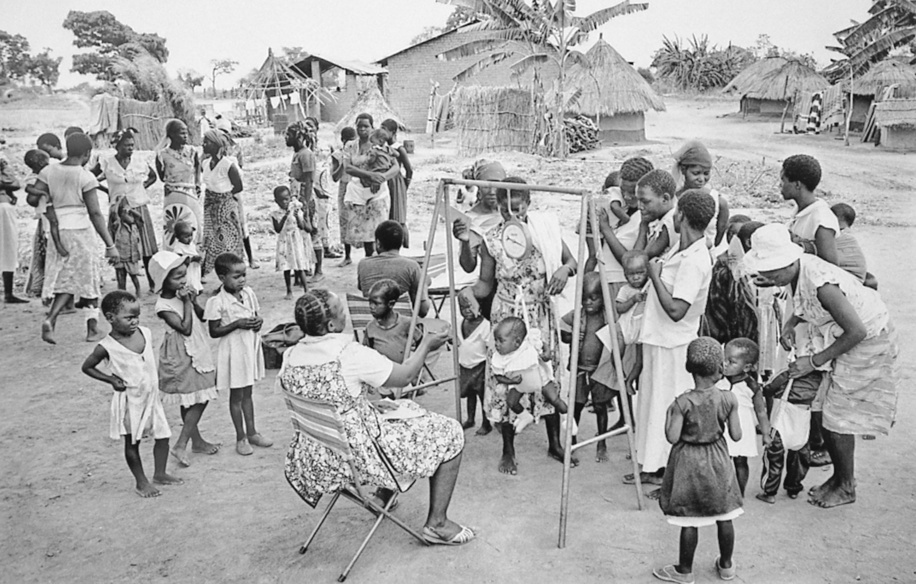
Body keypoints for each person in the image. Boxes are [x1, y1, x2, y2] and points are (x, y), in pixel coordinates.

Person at [280, 289, 475, 546]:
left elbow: (335, 397)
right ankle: (437, 523)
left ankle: (383, 496)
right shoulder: (347, 355)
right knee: (450, 431)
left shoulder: (291, 356)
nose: (347, 314)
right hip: (361, 457)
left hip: (319, 455)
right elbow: (404, 376)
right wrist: (426, 344)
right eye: (341, 310)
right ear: (331, 324)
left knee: (396, 409)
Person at [744, 224, 898, 509]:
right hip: (840, 334)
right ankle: (839, 477)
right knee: (824, 408)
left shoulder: (821, 282)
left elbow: (857, 331)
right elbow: (805, 304)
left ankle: (846, 485)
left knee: (837, 416)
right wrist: (791, 322)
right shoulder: (793, 273)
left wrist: (813, 361)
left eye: (773, 272)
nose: (769, 278)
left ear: (790, 261)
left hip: (867, 338)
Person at [458, 177, 578, 474]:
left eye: (518, 207)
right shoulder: (492, 240)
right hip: (507, 320)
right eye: (506, 209)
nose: (513, 215)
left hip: (540, 316)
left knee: (545, 375)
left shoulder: (543, 231)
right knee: (506, 380)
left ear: (529, 203)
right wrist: (468, 293)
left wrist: (564, 269)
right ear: (497, 206)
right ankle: (508, 449)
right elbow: (485, 284)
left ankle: (554, 442)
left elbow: (573, 261)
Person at [628, 190, 715, 489]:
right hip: (660, 339)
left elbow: (678, 310)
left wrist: (653, 275)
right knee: (653, 404)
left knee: (668, 408)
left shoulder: (695, 260)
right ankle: (653, 466)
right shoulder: (683, 249)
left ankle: (670, 473)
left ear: (681, 216)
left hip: (674, 343)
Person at [654, 337, 743, 584]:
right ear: (720, 369)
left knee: (689, 519)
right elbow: (736, 435)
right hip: (718, 459)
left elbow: (672, 437)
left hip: (688, 461)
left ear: (689, 368)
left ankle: (685, 571)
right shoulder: (729, 399)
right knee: (725, 513)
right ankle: (726, 566)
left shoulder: (682, 403)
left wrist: (669, 413)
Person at [80, 290, 181, 498]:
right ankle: (141, 482)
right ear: (110, 318)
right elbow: (87, 367)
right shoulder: (106, 346)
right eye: (128, 318)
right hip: (130, 401)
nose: (134, 321)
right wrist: (110, 379)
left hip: (151, 397)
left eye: (137, 316)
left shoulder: (145, 332)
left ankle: (160, 473)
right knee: (132, 442)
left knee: (163, 436)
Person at [32, 133, 120, 344]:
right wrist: (110, 244)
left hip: (57, 230)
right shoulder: (85, 176)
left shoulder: (48, 171)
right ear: (87, 153)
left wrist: (48, 199)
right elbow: (95, 213)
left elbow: (33, 197)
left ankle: (51, 319)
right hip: (80, 231)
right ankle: (91, 328)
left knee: (65, 278)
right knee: (88, 278)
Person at [150, 251, 220, 468]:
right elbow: (185, 328)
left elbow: (202, 317)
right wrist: (186, 303)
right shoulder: (163, 306)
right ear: (164, 281)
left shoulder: (185, 296)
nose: (183, 280)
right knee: (194, 396)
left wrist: (194, 300)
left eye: (184, 275)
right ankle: (181, 443)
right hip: (179, 353)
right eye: (177, 277)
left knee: (196, 396)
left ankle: (195, 440)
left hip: (196, 348)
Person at [204, 252, 271, 456]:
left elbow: (256, 315)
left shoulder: (249, 293)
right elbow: (214, 331)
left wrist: (258, 322)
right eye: (236, 276)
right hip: (233, 351)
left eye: (244, 275)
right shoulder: (217, 301)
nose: (242, 280)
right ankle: (240, 436)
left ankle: (252, 432)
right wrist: (236, 324)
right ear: (222, 278)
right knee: (236, 396)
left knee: (248, 393)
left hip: (249, 347)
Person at [93, 128, 159, 290]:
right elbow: (90, 178)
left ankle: (152, 283)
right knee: (120, 246)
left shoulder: (139, 161)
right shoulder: (107, 162)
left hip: (138, 207)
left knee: (146, 248)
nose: (130, 148)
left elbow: (153, 176)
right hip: (118, 212)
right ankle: (121, 286)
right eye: (126, 146)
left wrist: (141, 188)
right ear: (117, 146)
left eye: (132, 145)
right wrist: (109, 192)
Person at [560, 272, 616, 462]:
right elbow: (562, 327)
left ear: (603, 298)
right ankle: (572, 441)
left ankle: (601, 443)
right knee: (576, 406)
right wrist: (568, 335)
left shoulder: (607, 316)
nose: (589, 302)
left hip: (600, 370)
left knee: (600, 406)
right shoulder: (577, 314)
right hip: (580, 369)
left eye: (594, 298)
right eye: (584, 298)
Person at [491, 315, 570, 434]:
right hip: (519, 384)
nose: (497, 344)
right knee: (511, 402)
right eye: (495, 340)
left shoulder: (529, 343)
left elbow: (543, 344)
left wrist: (547, 353)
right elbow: (498, 376)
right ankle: (524, 416)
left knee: (554, 399)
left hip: (540, 380)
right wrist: (512, 382)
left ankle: (568, 418)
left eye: (501, 341)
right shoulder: (499, 357)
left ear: (517, 342)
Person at [451, 159, 508, 320]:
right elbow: (468, 266)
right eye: (485, 184)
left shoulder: (512, 212)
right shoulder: (470, 220)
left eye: (496, 184)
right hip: (488, 289)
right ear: (477, 186)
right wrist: (464, 241)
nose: (491, 190)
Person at [340, 113, 401, 259]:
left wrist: (380, 178)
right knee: (365, 234)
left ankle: (380, 263)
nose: (362, 129)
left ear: (372, 127)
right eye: (359, 126)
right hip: (358, 192)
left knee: (378, 232)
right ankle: (369, 263)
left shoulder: (380, 144)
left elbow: (396, 167)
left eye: (366, 126)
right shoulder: (350, 146)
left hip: (378, 192)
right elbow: (347, 168)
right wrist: (369, 176)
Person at [757, 368, 821, 504]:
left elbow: (768, 388)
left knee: (773, 458)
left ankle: (769, 492)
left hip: (781, 422)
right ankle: (794, 488)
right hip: (802, 423)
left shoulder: (789, 372)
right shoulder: (820, 376)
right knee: (799, 458)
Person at [593, 157, 655, 296]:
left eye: (633, 192)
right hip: (605, 281)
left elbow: (631, 261)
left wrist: (606, 230)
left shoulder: (647, 217)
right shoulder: (620, 205)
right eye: (623, 190)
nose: (626, 196)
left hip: (623, 286)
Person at [720, 338, 770, 497]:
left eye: (731, 361)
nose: (725, 364)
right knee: (721, 461)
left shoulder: (751, 385)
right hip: (722, 427)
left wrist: (766, 433)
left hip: (743, 428)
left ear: (747, 367)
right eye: (724, 359)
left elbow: (761, 412)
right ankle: (721, 493)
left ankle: (739, 494)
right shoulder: (718, 378)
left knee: (741, 462)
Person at [703, 215, 759, 346]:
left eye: (737, 234)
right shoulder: (723, 264)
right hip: (732, 325)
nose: (732, 237)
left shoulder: (761, 263)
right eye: (730, 233)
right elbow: (716, 301)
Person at [357, 220, 431, 317]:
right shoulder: (411, 267)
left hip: (371, 326)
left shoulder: (363, 264)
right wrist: (423, 284)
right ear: (401, 242)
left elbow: (360, 287)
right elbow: (423, 311)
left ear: (378, 243)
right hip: (401, 329)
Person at [671, 140, 729, 254]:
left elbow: (719, 236)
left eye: (706, 173)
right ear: (683, 170)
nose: (701, 179)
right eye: (696, 173)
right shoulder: (674, 200)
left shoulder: (718, 201)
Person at [200, 130, 245, 276]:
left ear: (216, 144)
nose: (203, 144)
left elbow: (238, 186)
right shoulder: (206, 163)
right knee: (212, 241)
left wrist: (224, 200)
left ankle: (233, 276)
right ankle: (222, 277)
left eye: (207, 142)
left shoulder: (228, 165)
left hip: (226, 208)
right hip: (210, 209)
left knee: (228, 243)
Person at [782, 154, 837, 265]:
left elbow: (830, 269)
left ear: (797, 184)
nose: (780, 185)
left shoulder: (821, 220)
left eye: (783, 180)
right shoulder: (800, 210)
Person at [156, 120, 202, 250]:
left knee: (192, 224)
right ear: (171, 135)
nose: (185, 136)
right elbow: (161, 176)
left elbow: (198, 165)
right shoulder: (162, 155)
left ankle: (193, 257)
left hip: (191, 194)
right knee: (173, 227)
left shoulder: (192, 151)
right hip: (173, 196)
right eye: (182, 133)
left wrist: (197, 182)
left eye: (186, 133)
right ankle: (173, 259)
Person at [23, 149, 62, 300]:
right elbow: (28, 190)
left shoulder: (50, 170)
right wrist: (41, 193)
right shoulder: (34, 176)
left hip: (53, 211)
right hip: (46, 214)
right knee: (51, 242)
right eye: (46, 160)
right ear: (40, 163)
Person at [363, 279, 420, 366]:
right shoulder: (370, 327)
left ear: (391, 304)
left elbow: (423, 344)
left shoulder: (406, 324)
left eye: (376, 303)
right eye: (370, 302)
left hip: (403, 372)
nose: (371, 307)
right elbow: (366, 352)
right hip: (380, 373)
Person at [286, 121, 318, 274]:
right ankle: (304, 267)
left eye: (289, 135)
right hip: (298, 198)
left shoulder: (306, 154)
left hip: (305, 198)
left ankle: (317, 270)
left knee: (311, 231)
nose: (286, 138)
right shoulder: (298, 154)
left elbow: (309, 179)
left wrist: (305, 202)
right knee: (301, 233)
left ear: (298, 136)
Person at [457, 293, 491, 435]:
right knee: (469, 393)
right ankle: (470, 419)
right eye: (463, 308)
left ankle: (486, 422)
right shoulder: (460, 323)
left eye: (471, 307)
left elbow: (490, 347)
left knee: (483, 395)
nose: (467, 311)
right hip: (464, 365)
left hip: (480, 365)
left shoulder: (485, 325)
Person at [271, 185, 313, 298]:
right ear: (276, 201)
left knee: (300, 265)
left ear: (290, 198)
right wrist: (284, 217)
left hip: (295, 240)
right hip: (284, 241)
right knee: (286, 267)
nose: (285, 202)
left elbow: (303, 226)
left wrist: (298, 217)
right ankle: (289, 290)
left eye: (287, 199)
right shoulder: (275, 214)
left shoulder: (296, 209)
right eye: (281, 200)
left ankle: (306, 289)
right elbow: (278, 229)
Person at [380, 118, 413, 247]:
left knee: (399, 217)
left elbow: (409, 170)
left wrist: (405, 186)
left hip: (397, 183)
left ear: (393, 132)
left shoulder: (399, 149)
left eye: (385, 130)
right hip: (385, 182)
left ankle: (405, 245)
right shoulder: (381, 146)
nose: (382, 132)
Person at [0, 136, 25, 303]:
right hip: (2, 207)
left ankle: (8, 293)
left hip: (4, 203)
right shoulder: (2, 160)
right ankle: (8, 293)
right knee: (8, 247)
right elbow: (15, 183)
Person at [635, 169, 680, 260]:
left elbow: (637, 259)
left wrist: (643, 227)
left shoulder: (670, 222)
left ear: (665, 199)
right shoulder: (668, 216)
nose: (639, 206)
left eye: (645, 201)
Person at [831, 202, 876, 288]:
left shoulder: (848, 240)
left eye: (841, 229)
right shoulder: (822, 231)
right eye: (835, 227)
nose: (838, 231)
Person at [331, 126, 357, 265]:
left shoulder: (360, 151)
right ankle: (347, 256)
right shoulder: (337, 155)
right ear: (343, 141)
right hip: (345, 188)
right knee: (344, 220)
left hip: (358, 187)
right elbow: (334, 177)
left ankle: (368, 253)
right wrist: (343, 163)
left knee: (361, 218)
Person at [109, 198, 143, 296]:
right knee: (121, 276)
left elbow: (139, 217)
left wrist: (130, 210)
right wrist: (119, 205)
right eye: (127, 215)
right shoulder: (118, 225)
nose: (130, 217)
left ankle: (138, 290)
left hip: (132, 256)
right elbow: (114, 214)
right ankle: (122, 292)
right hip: (120, 256)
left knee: (134, 275)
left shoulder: (135, 225)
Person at [354, 129, 397, 194]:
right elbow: (397, 154)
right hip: (385, 170)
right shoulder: (388, 149)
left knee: (365, 176)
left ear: (380, 141)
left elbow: (371, 161)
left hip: (376, 170)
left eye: (372, 142)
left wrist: (368, 156)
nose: (371, 144)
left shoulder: (374, 150)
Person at [170, 221, 203, 294]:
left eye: (191, 235)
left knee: (196, 285)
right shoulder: (178, 248)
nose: (190, 238)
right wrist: (192, 259)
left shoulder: (191, 244)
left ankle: (194, 299)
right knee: (189, 288)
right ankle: (191, 301)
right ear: (177, 236)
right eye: (186, 236)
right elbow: (178, 262)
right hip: (187, 272)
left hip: (194, 270)